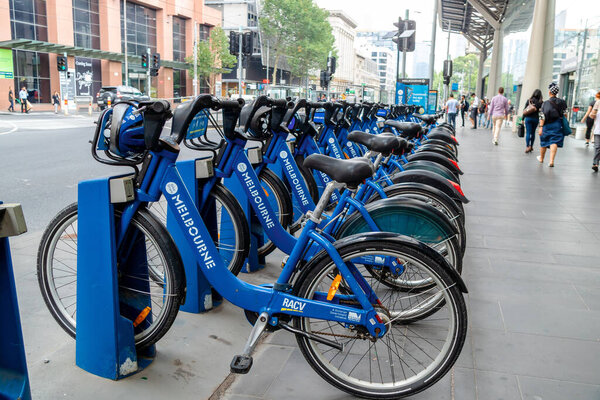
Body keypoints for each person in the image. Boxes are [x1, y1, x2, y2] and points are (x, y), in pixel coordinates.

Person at [537, 82, 567, 167]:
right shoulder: (562, 102)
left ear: (550, 92)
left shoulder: (545, 103)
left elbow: (542, 116)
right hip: (557, 124)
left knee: (544, 142)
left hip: (546, 125)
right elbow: (565, 114)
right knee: (554, 141)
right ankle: (551, 161)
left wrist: (541, 127)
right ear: (556, 93)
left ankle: (542, 158)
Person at [523, 89, 543, 153]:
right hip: (535, 119)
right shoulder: (541, 102)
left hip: (528, 118)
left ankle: (527, 146)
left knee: (528, 133)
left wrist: (523, 119)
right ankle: (531, 146)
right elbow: (542, 112)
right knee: (533, 133)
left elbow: (525, 110)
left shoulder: (529, 100)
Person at [590, 92, 600, 171]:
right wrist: (594, 113)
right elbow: (592, 115)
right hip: (598, 129)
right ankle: (595, 164)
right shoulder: (598, 102)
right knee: (597, 147)